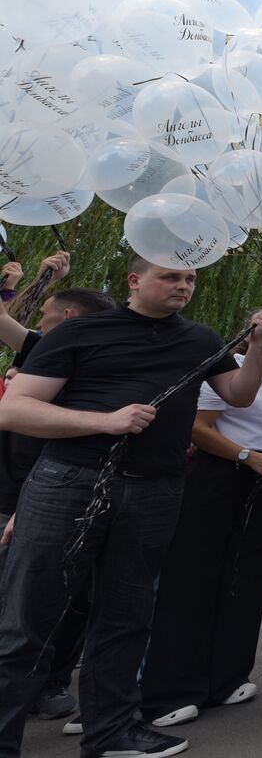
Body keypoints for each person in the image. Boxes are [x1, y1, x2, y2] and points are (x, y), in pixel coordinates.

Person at [0, 253, 262, 758]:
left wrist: (255, 347)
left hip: (155, 489)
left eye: (190, 278)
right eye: (170, 276)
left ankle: (110, 733)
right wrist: (104, 421)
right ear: (134, 280)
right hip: (69, 481)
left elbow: (238, 395)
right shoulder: (77, 333)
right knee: (27, 618)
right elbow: (13, 409)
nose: (183, 286)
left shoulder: (201, 339)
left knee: (126, 618)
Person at [139, 309, 262, 729]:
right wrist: (245, 456)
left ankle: (226, 677)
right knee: (194, 575)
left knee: (245, 575)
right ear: (247, 332)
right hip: (221, 473)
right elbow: (198, 426)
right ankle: (171, 688)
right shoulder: (225, 368)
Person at [0, 254, 102, 725]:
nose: (35, 321)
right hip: (11, 491)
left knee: (68, 595)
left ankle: (53, 680)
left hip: (58, 492)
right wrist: (38, 281)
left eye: (42, 312)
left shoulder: (102, 367)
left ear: (68, 318)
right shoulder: (41, 350)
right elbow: (5, 323)